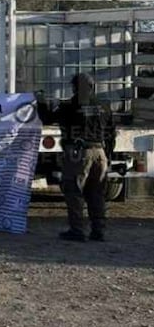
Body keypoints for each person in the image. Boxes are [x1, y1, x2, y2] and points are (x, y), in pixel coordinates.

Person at [38, 73, 116, 242]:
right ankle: (98, 231)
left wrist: (41, 101)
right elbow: (111, 133)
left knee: (74, 191)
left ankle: (77, 230)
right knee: (96, 193)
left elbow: (47, 118)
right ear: (92, 86)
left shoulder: (69, 106)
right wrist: (108, 154)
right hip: (100, 152)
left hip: (78, 154)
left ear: (74, 88)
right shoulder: (105, 105)